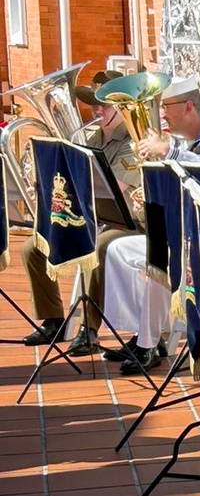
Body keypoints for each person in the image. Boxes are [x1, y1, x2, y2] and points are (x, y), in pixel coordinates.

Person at [100, 75, 200, 373]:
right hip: (182, 234)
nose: (162, 114)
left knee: (161, 260)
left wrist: (169, 153)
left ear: (189, 106)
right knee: (118, 251)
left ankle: (148, 344)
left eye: (166, 107)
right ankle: (143, 333)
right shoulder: (181, 143)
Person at [21, 70, 141, 354]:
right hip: (90, 217)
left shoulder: (132, 143)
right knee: (33, 247)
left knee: (98, 248)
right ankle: (53, 320)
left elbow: (115, 188)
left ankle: (89, 330)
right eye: (94, 104)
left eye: (104, 106)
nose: (97, 111)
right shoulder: (88, 137)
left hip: (127, 222)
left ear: (122, 108)